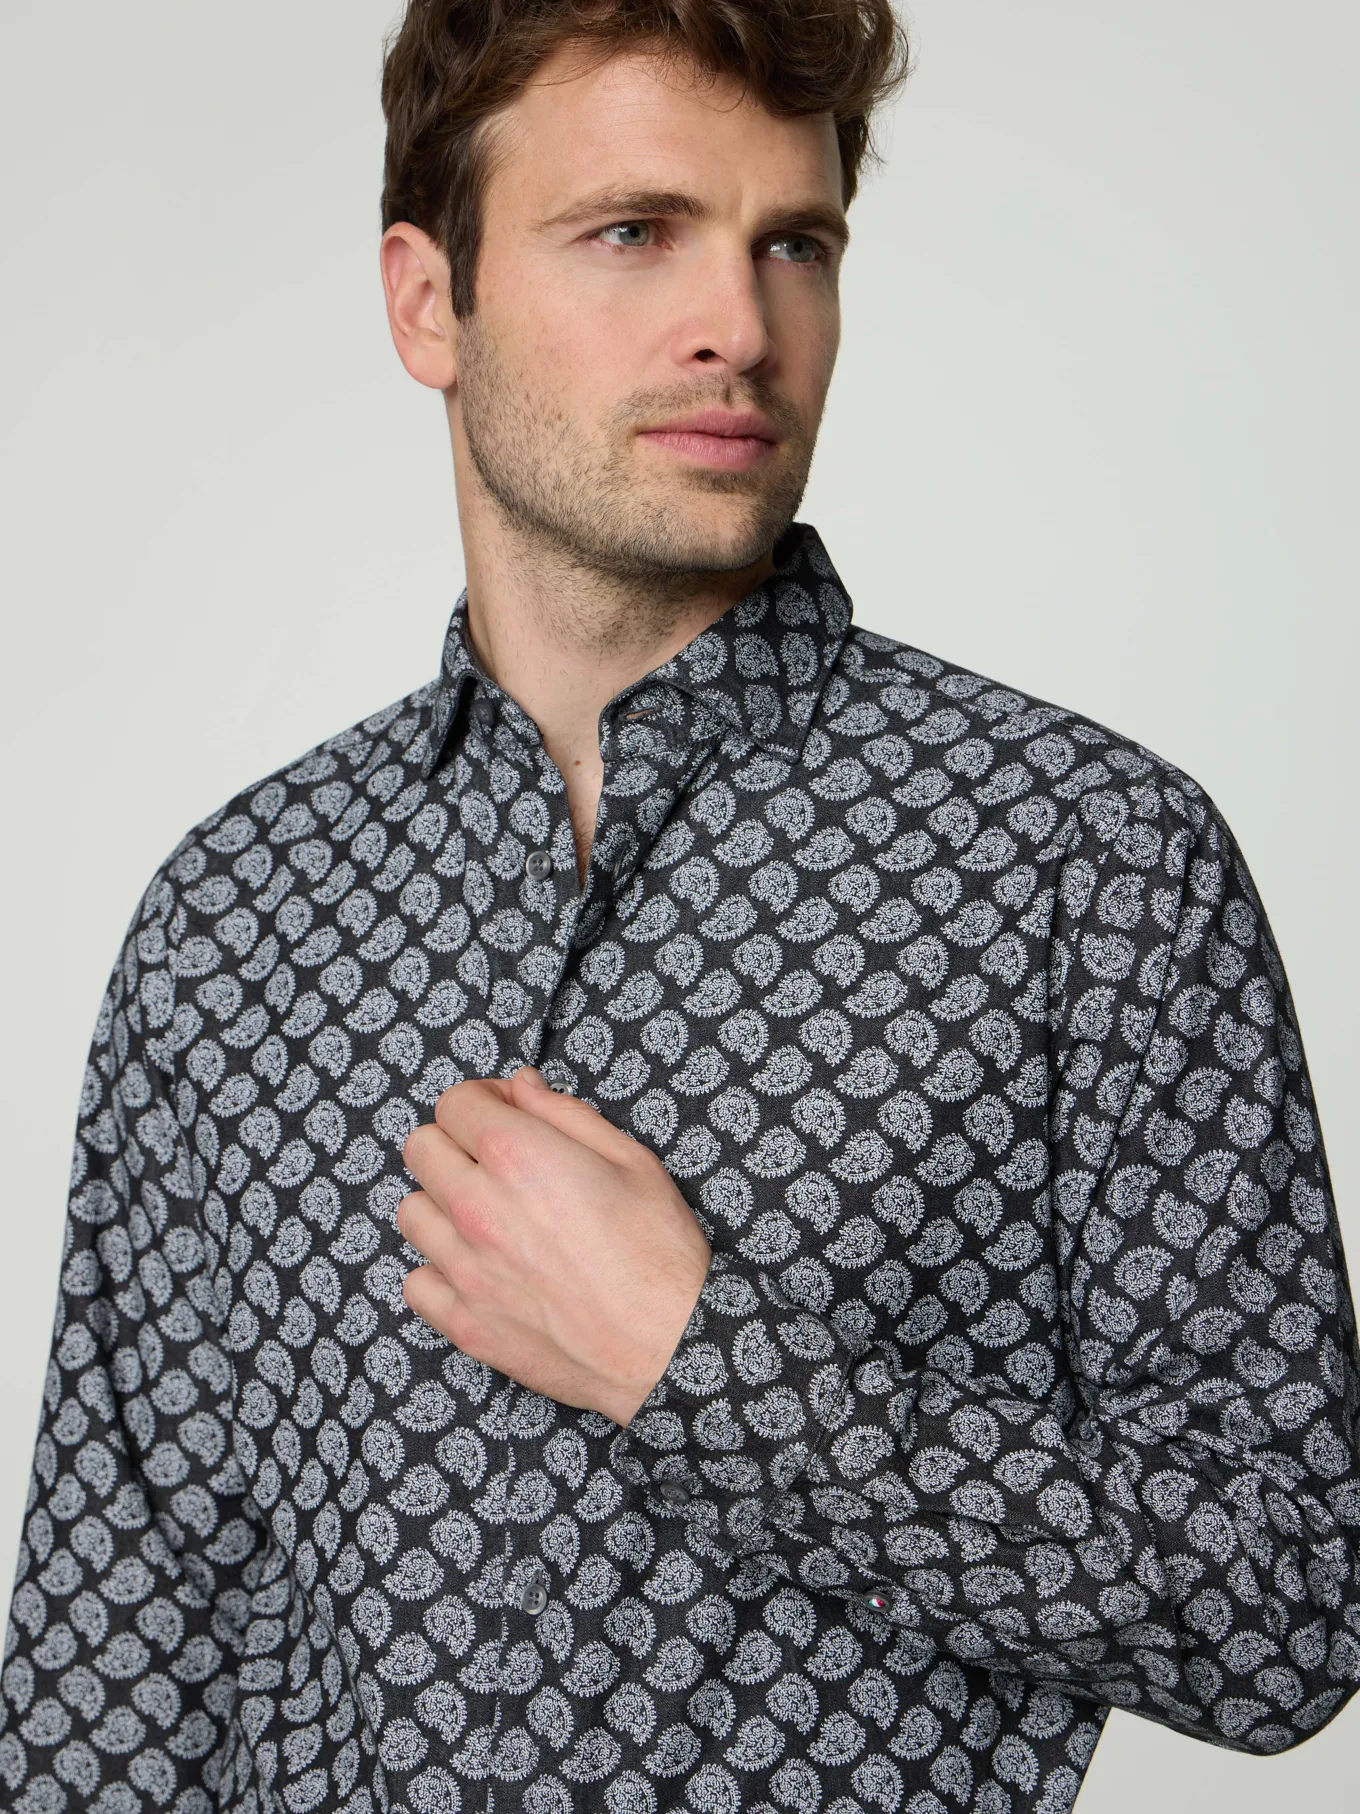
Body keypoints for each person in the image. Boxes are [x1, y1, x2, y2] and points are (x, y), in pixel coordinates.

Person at [3, 2, 1357, 1811]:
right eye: (635, 231)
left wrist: (699, 1363)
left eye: (793, 244)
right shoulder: (236, 925)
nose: (740, 325)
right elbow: (111, 1680)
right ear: (429, 301)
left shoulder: (1087, 865)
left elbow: (1286, 1602)